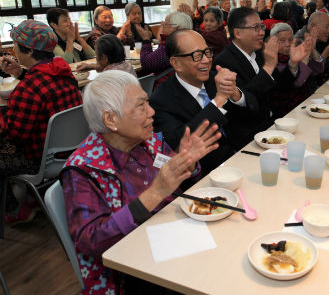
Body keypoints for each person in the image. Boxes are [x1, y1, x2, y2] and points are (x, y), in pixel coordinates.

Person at [61, 70, 221, 294]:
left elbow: (174, 178)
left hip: (175, 240)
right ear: (110, 119)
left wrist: (186, 161)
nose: (152, 112)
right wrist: (156, 192)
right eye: (141, 106)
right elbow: (92, 241)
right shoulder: (83, 170)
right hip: (133, 272)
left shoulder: (148, 142)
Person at [0, 20, 82, 223]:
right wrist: (20, 72)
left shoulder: (28, 88)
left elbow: (14, 134)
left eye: (16, 46)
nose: (13, 50)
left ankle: (14, 209)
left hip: (40, 159)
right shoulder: (63, 72)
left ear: (26, 51)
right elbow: (44, 84)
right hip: (72, 151)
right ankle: (31, 199)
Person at [150, 30, 244, 174]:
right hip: (206, 174)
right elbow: (178, 142)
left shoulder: (215, 79)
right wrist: (218, 100)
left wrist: (235, 94)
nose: (206, 60)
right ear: (176, 63)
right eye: (197, 55)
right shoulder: (161, 100)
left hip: (241, 155)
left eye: (207, 52)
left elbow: (249, 113)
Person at [212, 7, 292, 149]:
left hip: (272, 124)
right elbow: (247, 103)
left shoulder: (260, 52)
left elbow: (281, 86)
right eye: (256, 28)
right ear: (237, 33)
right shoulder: (224, 62)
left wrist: (294, 63)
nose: (262, 32)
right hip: (248, 136)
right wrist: (268, 67)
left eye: (262, 26)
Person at [268, 23, 321, 118]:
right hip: (286, 112)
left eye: (290, 40)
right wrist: (304, 59)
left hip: (305, 104)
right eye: (282, 40)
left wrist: (312, 50)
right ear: (273, 42)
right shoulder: (271, 60)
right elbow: (297, 83)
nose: (288, 44)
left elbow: (318, 69)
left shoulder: (295, 52)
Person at [139, 11, 193, 77]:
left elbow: (146, 63)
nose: (163, 26)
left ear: (177, 28)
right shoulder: (189, 41)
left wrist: (146, 40)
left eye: (166, 24)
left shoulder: (171, 46)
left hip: (165, 84)